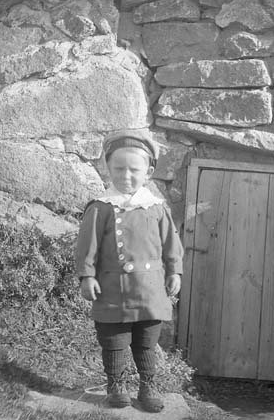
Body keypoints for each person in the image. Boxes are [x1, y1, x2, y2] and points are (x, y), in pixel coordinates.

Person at [75, 130, 184, 412]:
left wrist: (175, 272)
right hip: (112, 290)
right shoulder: (101, 208)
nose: (126, 176)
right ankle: (116, 386)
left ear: (148, 173)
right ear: (107, 169)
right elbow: (87, 246)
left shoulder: (157, 208)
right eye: (118, 169)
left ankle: (148, 386)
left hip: (149, 291)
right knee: (114, 341)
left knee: (146, 342)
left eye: (133, 170)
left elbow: (171, 244)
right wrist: (87, 276)